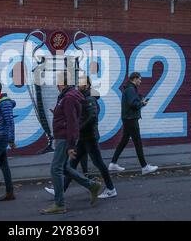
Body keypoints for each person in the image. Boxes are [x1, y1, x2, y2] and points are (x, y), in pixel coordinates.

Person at [45, 76, 117, 199]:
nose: (79, 85)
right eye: (78, 83)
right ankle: (61, 189)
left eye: (81, 84)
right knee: (72, 164)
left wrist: (77, 128)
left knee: (98, 163)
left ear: (88, 85)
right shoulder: (82, 97)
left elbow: (91, 117)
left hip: (90, 137)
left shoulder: (90, 99)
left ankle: (111, 189)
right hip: (82, 137)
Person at [40, 72, 102, 215]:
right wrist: (57, 113)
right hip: (62, 137)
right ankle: (92, 185)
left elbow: (73, 122)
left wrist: (71, 145)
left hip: (64, 138)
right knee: (65, 168)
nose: (56, 85)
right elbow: (68, 116)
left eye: (58, 82)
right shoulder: (68, 96)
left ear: (62, 83)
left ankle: (60, 204)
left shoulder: (68, 97)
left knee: (55, 169)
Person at [108, 72, 158, 175]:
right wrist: (142, 103)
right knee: (138, 143)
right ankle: (144, 167)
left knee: (124, 141)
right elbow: (133, 104)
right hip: (131, 119)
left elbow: (134, 100)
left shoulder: (130, 88)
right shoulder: (131, 89)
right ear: (134, 79)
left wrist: (140, 99)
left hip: (128, 118)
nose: (140, 81)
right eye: (139, 79)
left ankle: (113, 163)